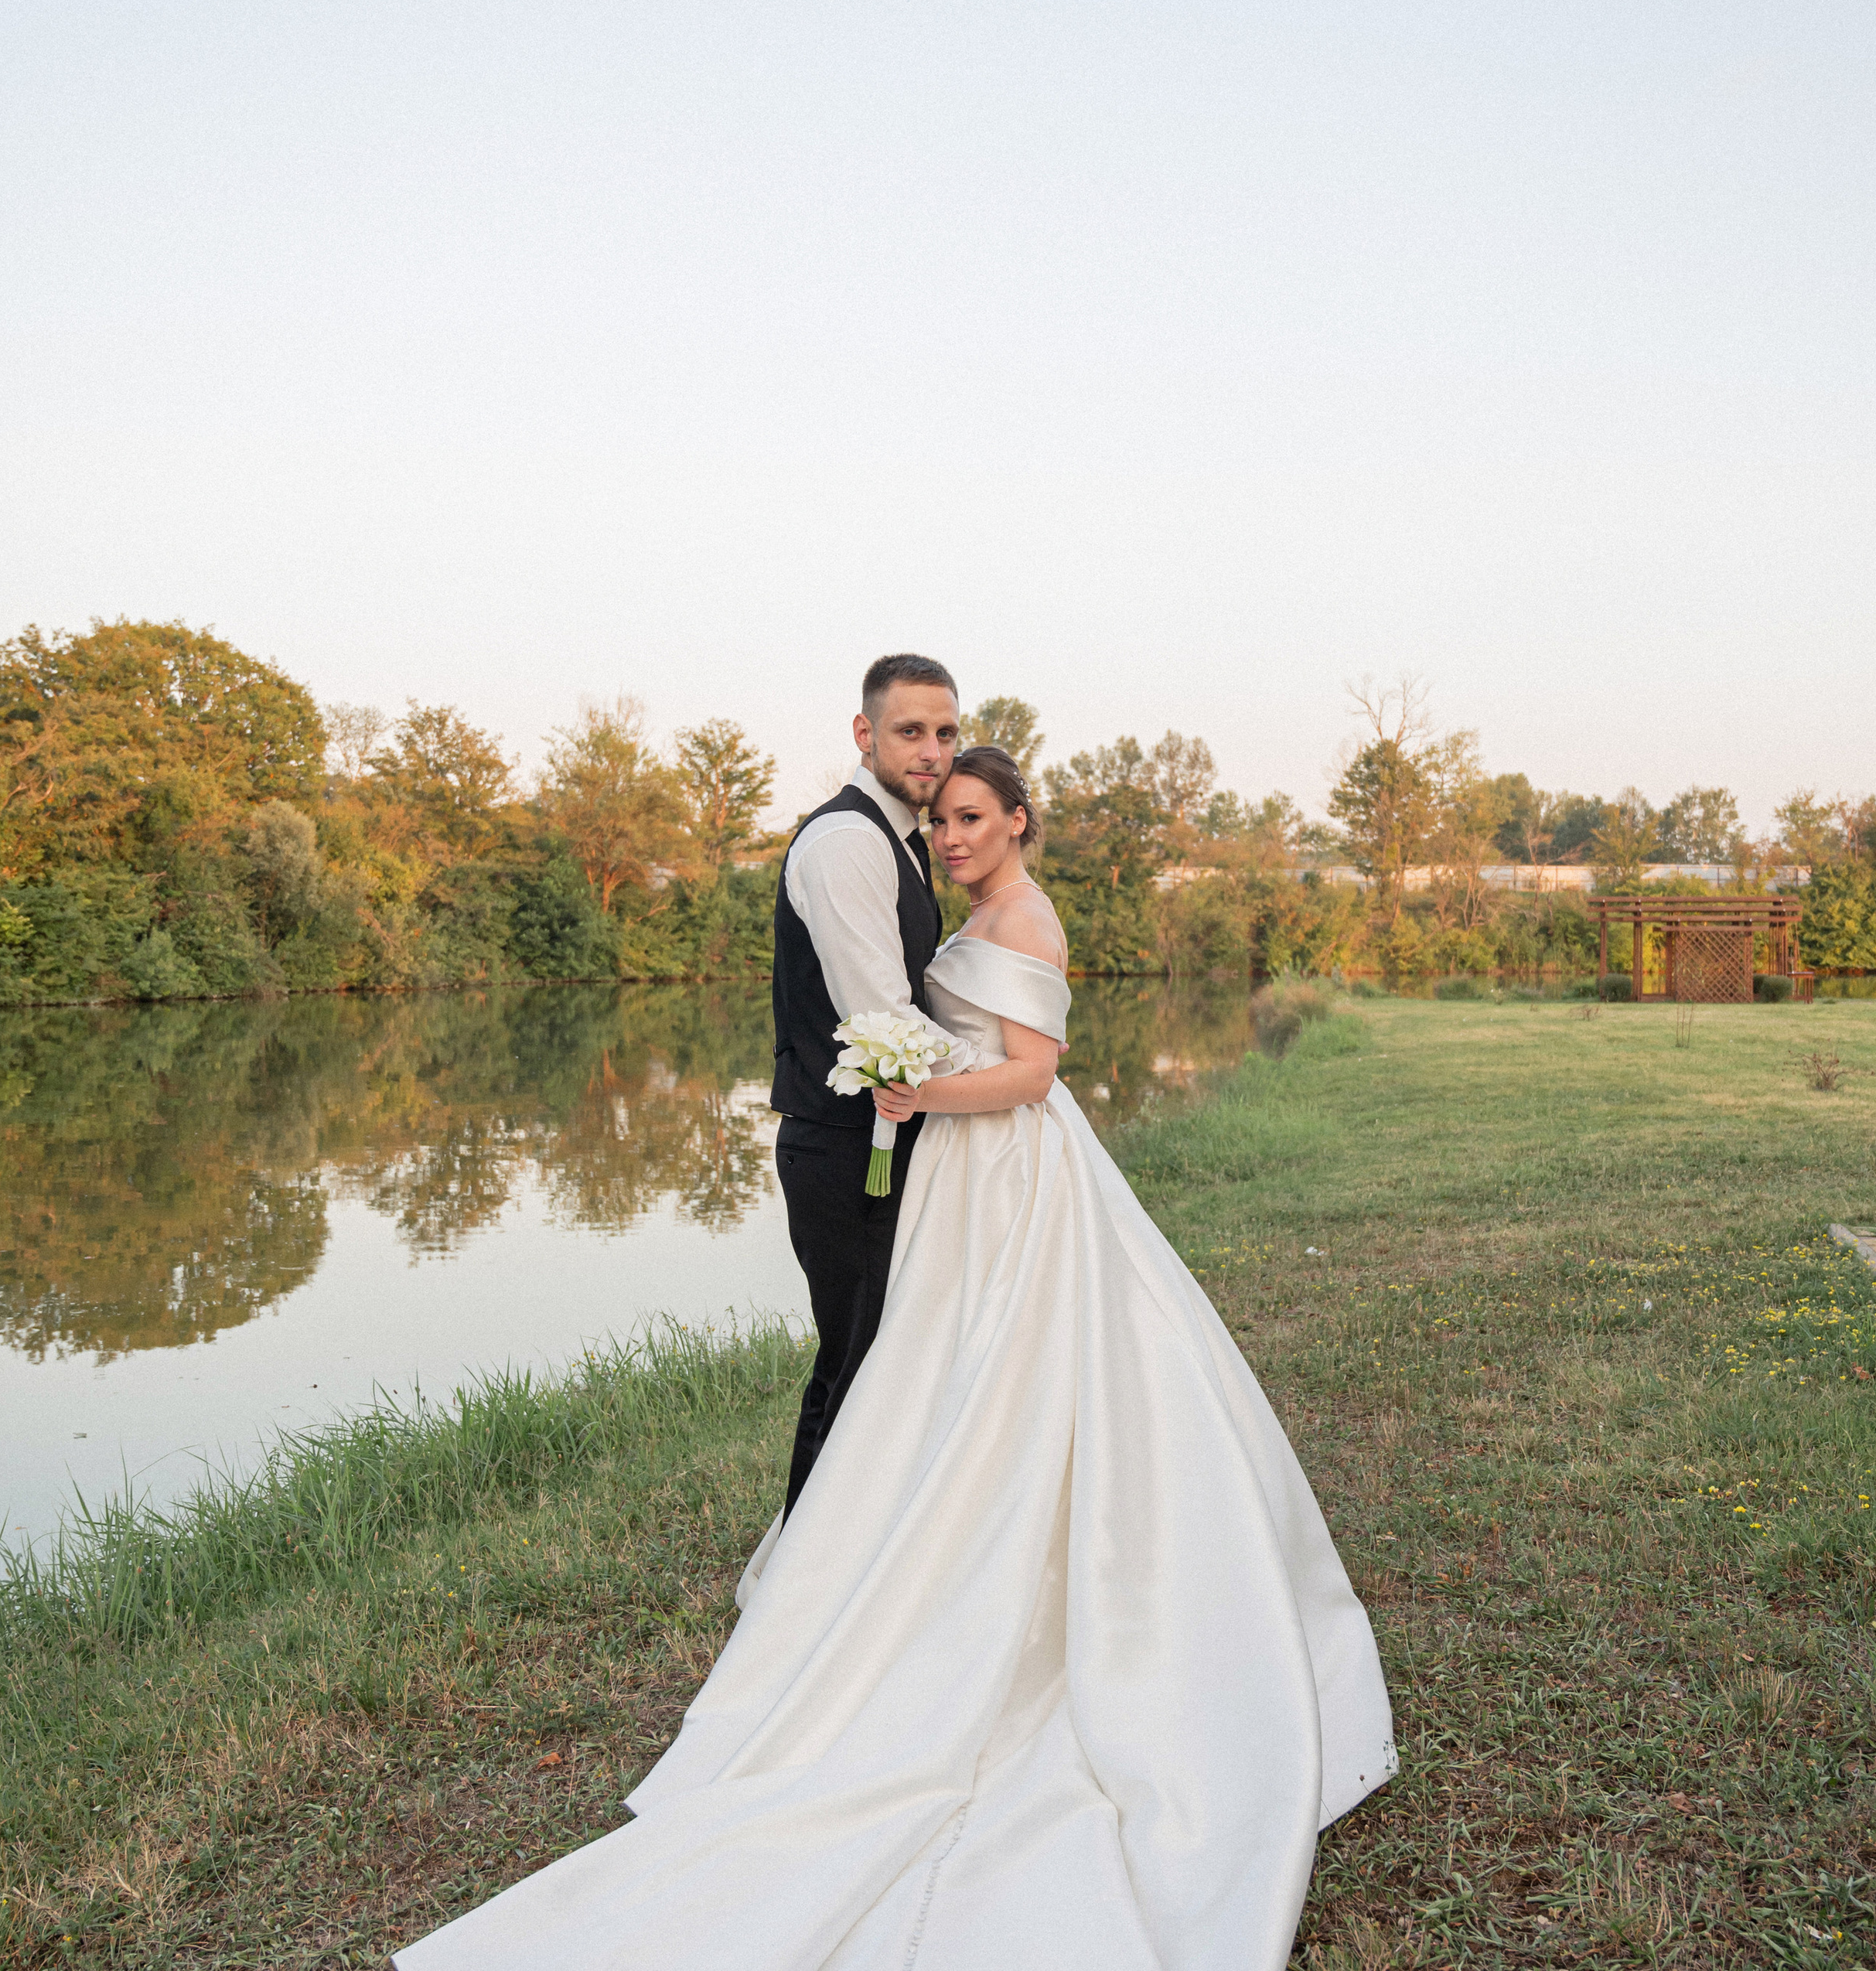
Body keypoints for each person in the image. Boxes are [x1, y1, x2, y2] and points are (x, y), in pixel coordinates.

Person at [396, 743, 1395, 1971]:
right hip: (964, 1181)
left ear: (1020, 820)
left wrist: (920, 1091)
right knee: (936, 1374)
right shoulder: (974, 908)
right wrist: (909, 1071)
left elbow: (1033, 1075)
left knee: (1017, 1376)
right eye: (942, 821)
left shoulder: (1025, 919)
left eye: (974, 816)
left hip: (1016, 1176)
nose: (954, 836)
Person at [767, 653, 980, 1516]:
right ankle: (799, 1593)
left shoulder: (898, 837)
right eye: (910, 731)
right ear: (865, 734)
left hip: (881, 1139)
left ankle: (863, 1569)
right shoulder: (850, 840)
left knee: (891, 1366)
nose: (932, 750)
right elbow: (882, 1019)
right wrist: (1007, 1078)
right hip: (845, 1146)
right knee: (853, 1365)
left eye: (946, 732)